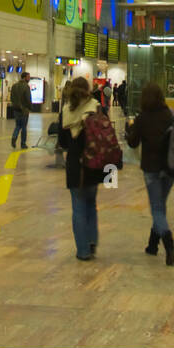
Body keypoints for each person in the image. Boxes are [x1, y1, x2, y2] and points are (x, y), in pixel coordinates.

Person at [126, 82, 174, 265]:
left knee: (157, 209)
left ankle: (168, 243)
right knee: (160, 206)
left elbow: (133, 143)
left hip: (152, 169)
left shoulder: (142, 118)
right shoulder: (170, 115)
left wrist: (130, 130)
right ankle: (152, 245)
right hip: (170, 168)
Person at [58, 77, 104, 260]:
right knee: (91, 204)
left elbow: (62, 142)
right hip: (93, 164)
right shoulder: (96, 107)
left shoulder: (66, 111)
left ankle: (83, 251)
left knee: (78, 208)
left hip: (75, 164)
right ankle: (92, 242)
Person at [9, 72, 32, 149]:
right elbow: (28, 99)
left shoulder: (14, 86)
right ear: (24, 77)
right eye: (28, 77)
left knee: (17, 125)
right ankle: (23, 144)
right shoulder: (26, 86)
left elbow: (11, 98)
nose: (29, 78)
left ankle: (14, 138)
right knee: (24, 127)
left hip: (16, 109)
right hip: (24, 110)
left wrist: (15, 105)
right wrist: (30, 107)